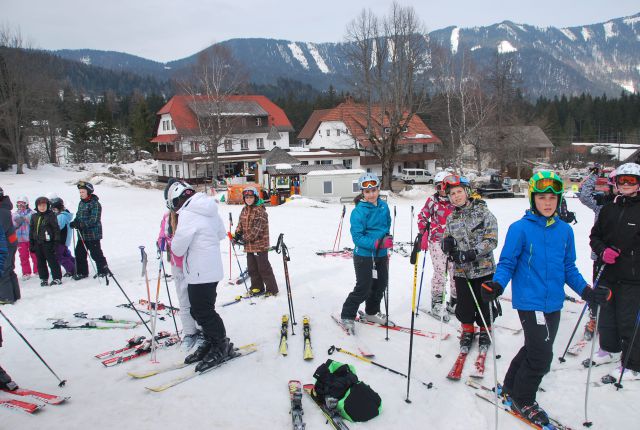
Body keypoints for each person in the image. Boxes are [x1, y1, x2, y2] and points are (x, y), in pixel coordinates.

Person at [482, 171, 610, 427]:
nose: (548, 203)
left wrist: (586, 292)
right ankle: (524, 398)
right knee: (541, 355)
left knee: (535, 347)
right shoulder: (520, 229)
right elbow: (507, 263)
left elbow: (568, 268)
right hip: (530, 302)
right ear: (533, 199)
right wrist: (497, 284)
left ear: (559, 199)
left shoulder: (564, 231)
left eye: (552, 197)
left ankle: (510, 386)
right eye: (542, 198)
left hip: (553, 303)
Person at [169, 181, 234, 371]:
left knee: (203, 312)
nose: (176, 209)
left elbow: (178, 248)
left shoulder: (188, 213)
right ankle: (211, 341)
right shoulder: (209, 209)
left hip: (199, 271)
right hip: (209, 269)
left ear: (179, 199)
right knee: (200, 310)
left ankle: (220, 345)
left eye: (175, 204)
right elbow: (221, 234)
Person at [589, 162, 640, 380]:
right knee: (606, 315)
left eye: (632, 180)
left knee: (628, 320)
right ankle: (609, 349)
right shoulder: (609, 208)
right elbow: (595, 237)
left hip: (632, 277)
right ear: (616, 183)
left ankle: (633, 365)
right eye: (623, 180)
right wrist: (602, 252)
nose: (626, 184)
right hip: (607, 272)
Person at [441, 175, 498, 354]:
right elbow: (446, 238)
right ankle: (467, 329)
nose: (456, 196)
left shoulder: (484, 213)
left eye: (459, 192)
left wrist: (473, 253)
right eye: (452, 194)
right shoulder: (451, 219)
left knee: (484, 303)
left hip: (484, 269)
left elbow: (492, 240)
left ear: (467, 192)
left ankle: (485, 329)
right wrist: (446, 244)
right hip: (462, 271)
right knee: (464, 304)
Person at [340, 173, 392, 333]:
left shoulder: (384, 206)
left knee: (380, 284)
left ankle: (371, 312)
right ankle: (347, 315)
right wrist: (376, 242)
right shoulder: (359, 212)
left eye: (374, 190)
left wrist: (387, 238)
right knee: (364, 287)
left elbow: (386, 224)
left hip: (381, 254)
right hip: (364, 256)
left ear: (378, 189)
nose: (371, 194)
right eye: (367, 191)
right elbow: (357, 237)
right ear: (363, 192)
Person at [157, 180, 201, 351]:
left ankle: (202, 330)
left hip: (193, 264)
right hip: (177, 264)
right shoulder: (167, 217)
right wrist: (160, 243)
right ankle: (190, 332)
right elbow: (162, 235)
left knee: (197, 300)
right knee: (184, 301)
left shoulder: (190, 215)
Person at [578, 166, 618, 343]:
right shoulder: (602, 203)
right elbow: (583, 194)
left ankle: (613, 321)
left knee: (618, 291)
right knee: (598, 288)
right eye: (614, 185)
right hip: (600, 256)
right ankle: (594, 317)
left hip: (623, 259)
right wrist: (595, 175)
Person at [417, 171, 456, 318]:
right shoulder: (433, 201)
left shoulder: (455, 199)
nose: (442, 189)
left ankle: (455, 300)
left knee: (455, 272)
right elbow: (422, 216)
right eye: (439, 186)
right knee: (441, 272)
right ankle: (437, 303)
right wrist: (424, 230)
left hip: (454, 242)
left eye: (445, 186)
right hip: (437, 241)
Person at [231, 187, 278, 297]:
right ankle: (257, 287)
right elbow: (240, 225)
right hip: (249, 246)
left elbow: (257, 230)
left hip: (260, 245)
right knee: (252, 268)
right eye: (246, 197)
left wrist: (244, 238)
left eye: (251, 197)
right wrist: (237, 235)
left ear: (255, 197)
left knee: (263, 268)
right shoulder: (244, 210)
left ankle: (272, 289)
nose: (248, 199)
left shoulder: (260, 211)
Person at [69, 181, 109, 280]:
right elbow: (79, 215)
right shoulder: (81, 203)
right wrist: (75, 222)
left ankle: (103, 270)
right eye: (80, 192)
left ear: (88, 192)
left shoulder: (95, 204)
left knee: (96, 253)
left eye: (83, 192)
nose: (81, 194)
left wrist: (81, 225)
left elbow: (94, 220)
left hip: (93, 234)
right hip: (82, 234)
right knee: (79, 253)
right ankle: (82, 272)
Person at [29, 197, 63, 286]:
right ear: (37, 206)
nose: (42, 207)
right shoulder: (34, 216)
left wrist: (55, 243)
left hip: (48, 243)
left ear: (48, 206)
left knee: (52, 261)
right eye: (40, 205)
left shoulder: (51, 216)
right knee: (40, 262)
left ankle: (57, 278)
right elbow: (31, 231)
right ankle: (43, 278)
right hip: (38, 243)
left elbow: (56, 230)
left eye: (44, 205)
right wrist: (31, 243)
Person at [0, 188, 20, 303]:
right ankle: (15, 294)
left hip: (5, 245)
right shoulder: (4, 208)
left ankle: (6, 297)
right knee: (9, 269)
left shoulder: (2, 211)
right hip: (10, 243)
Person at [12, 196, 38, 280]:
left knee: (35, 255)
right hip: (20, 240)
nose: (20, 205)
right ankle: (26, 272)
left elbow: (34, 222)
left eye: (22, 203)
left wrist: (25, 218)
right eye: (19, 204)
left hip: (31, 239)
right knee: (23, 256)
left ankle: (38, 270)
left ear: (26, 204)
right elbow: (12, 226)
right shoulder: (14, 215)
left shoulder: (32, 213)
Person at [50, 198, 76, 276]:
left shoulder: (61, 216)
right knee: (65, 254)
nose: (53, 211)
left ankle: (71, 269)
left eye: (54, 209)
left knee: (59, 256)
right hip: (63, 239)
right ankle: (76, 266)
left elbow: (57, 227)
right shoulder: (62, 215)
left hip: (60, 240)